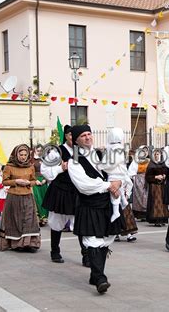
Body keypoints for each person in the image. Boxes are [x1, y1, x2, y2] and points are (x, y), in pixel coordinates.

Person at [67, 125, 122, 294]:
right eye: (83, 135)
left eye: (89, 134)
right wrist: (108, 185)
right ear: (76, 140)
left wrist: (118, 182)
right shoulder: (74, 159)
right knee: (92, 241)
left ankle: (95, 274)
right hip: (89, 205)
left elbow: (116, 172)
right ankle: (100, 278)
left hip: (106, 204)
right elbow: (84, 185)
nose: (88, 137)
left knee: (105, 240)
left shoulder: (100, 154)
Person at [41, 125, 89, 265]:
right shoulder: (57, 152)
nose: (72, 138)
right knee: (57, 222)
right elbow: (45, 170)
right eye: (69, 135)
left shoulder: (82, 151)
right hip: (60, 190)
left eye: (75, 135)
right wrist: (60, 168)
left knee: (81, 223)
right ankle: (55, 251)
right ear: (66, 136)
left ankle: (86, 255)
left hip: (77, 191)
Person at [0, 144, 41, 252]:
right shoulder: (9, 166)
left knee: (29, 220)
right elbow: (4, 181)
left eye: (25, 155)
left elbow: (33, 180)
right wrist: (16, 181)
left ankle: (30, 243)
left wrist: (29, 182)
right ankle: (18, 244)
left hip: (28, 196)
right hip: (14, 197)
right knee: (16, 220)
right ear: (16, 154)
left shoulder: (31, 166)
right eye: (21, 154)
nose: (23, 157)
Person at [97, 127, 133, 224]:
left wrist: (101, 166)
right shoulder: (116, 148)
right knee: (119, 190)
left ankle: (116, 211)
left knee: (114, 192)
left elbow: (112, 163)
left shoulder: (117, 149)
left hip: (115, 173)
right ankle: (124, 200)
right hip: (118, 173)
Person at [145, 148, 169, 227]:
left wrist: (165, 176)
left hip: (162, 186)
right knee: (156, 203)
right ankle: (156, 220)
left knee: (163, 203)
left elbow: (167, 173)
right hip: (154, 187)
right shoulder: (151, 165)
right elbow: (147, 177)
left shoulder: (163, 164)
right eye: (155, 154)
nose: (156, 156)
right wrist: (156, 177)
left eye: (157, 154)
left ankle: (163, 219)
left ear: (160, 155)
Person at [128, 146, 150, 221]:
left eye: (146, 151)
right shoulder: (136, 161)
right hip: (139, 180)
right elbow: (131, 172)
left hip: (147, 179)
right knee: (140, 197)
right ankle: (141, 214)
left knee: (147, 197)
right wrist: (136, 179)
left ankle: (147, 213)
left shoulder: (149, 160)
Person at [32, 145, 49, 227]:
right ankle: (38, 219)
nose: (39, 152)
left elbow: (48, 171)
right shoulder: (31, 160)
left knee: (44, 199)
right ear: (34, 150)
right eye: (38, 150)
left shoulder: (45, 160)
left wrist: (45, 179)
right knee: (37, 199)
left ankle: (44, 218)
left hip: (43, 181)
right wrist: (35, 180)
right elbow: (30, 172)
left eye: (40, 150)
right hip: (36, 181)